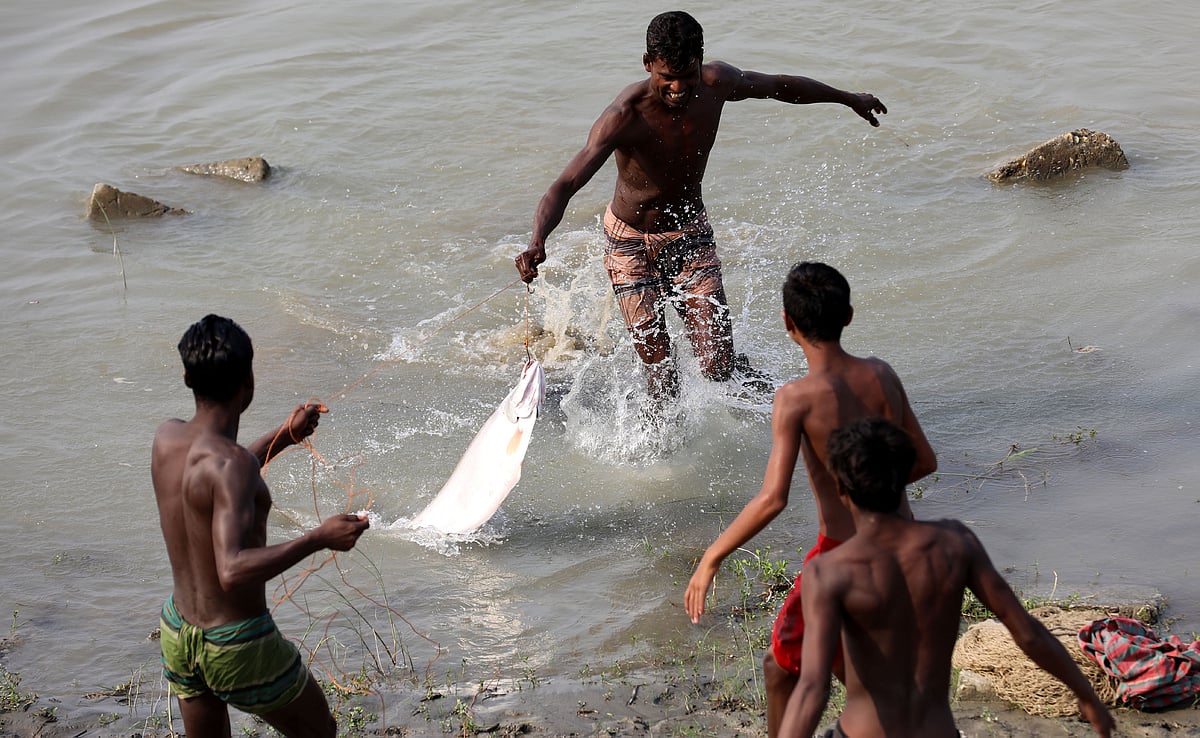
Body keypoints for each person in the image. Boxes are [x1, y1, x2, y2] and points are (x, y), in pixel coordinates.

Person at [514, 11, 887, 404]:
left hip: (689, 233)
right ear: (647, 65)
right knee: (660, 373)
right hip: (628, 244)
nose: (677, 88)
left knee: (716, 365)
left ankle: (777, 402)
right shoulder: (624, 116)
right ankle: (661, 456)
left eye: (686, 75)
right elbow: (566, 183)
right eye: (666, 77)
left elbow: (779, 86)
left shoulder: (717, 83)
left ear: (701, 61)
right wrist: (538, 240)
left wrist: (848, 99)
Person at [684, 262, 937, 737]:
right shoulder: (882, 375)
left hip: (840, 556)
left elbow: (772, 499)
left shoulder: (796, 399)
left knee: (783, 667)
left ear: (787, 323)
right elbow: (924, 461)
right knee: (856, 673)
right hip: (901, 547)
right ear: (849, 316)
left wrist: (711, 556)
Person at [780, 418, 1115, 737]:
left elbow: (813, 686)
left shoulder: (829, 571)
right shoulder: (954, 545)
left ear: (840, 487)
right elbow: (1027, 633)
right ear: (906, 476)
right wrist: (1086, 696)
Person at [151, 314, 370, 737]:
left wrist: (283, 438)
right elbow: (231, 568)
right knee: (320, 732)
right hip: (237, 644)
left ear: (186, 377)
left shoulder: (166, 438)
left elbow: (210, 478)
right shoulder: (232, 466)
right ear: (248, 382)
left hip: (179, 632)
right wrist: (318, 537)